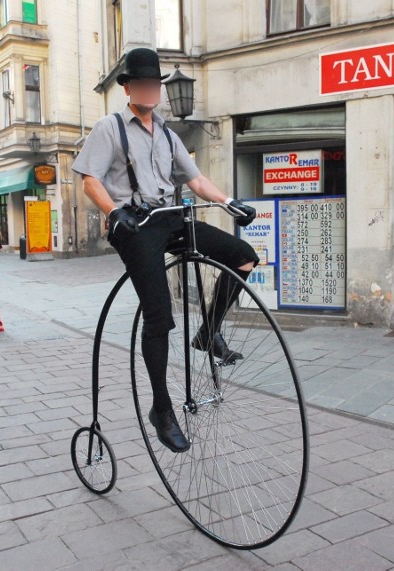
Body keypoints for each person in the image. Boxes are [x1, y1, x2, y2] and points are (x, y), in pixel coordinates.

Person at [72, 47, 257, 453]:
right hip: (135, 226)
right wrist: (112, 210)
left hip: (172, 217)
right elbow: (90, 180)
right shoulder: (109, 128)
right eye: (142, 84)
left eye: (154, 85)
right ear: (128, 88)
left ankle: (208, 333)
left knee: (244, 256)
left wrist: (228, 203)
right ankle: (161, 409)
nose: (150, 91)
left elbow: (196, 181)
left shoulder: (168, 134)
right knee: (160, 315)